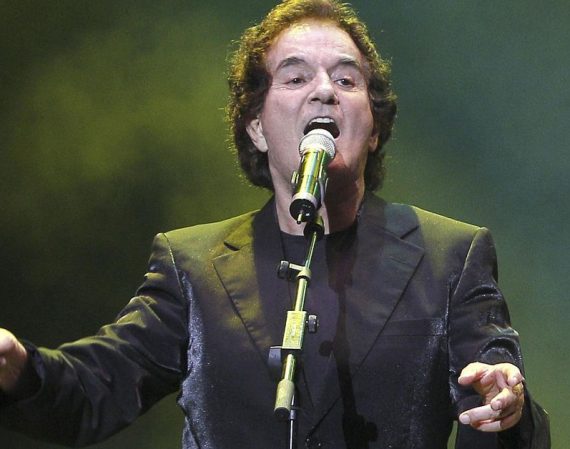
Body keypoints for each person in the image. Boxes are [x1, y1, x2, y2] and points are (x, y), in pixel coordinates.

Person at [0, 1, 550, 448]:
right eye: (295, 77)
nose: (324, 90)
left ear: (375, 128)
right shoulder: (192, 265)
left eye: (347, 78)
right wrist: (17, 366)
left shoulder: (450, 255)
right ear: (257, 128)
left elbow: (498, 392)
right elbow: (97, 388)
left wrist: (508, 407)